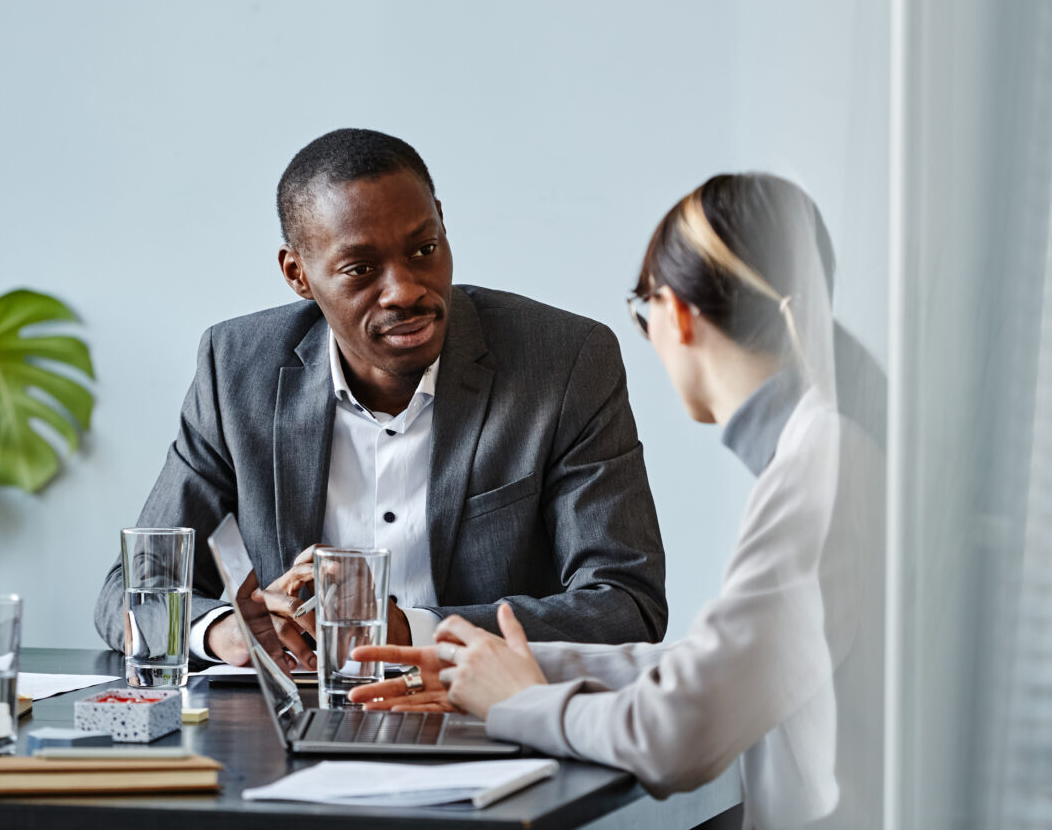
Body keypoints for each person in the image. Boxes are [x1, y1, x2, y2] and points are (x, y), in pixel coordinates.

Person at [352, 173, 884, 830]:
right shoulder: (831, 445)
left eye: (643, 313)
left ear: (676, 314)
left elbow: (678, 734)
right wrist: (479, 665)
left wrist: (520, 705)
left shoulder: (820, 464)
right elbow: (704, 671)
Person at [94, 128, 668, 670]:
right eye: (362, 269)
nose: (405, 290)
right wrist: (223, 630)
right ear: (298, 273)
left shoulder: (562, 361)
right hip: (291, 728)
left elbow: (626, 604)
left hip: (485, 721)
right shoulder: (237, 369)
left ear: (442, 224)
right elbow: (134, 586)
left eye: (423, 250)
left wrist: (411, 632)